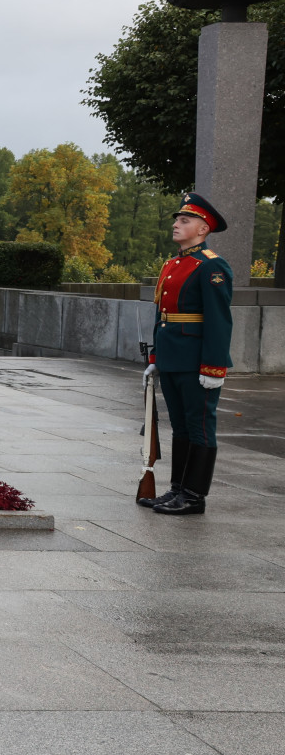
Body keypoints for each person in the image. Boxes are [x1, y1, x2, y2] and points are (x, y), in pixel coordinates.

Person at [140, 193, 233, 516]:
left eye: (185, 220)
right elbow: (162, 316)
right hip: (172, 357)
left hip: (197, 360)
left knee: (200, 427)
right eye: (177, 220)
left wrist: (214, 366)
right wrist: (154, 359)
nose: (176, 225)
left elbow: (219, 321)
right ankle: (177, 489)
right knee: (180, 426)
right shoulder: (174, 264)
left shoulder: (212, 267)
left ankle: (194, 496)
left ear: (203, 229)